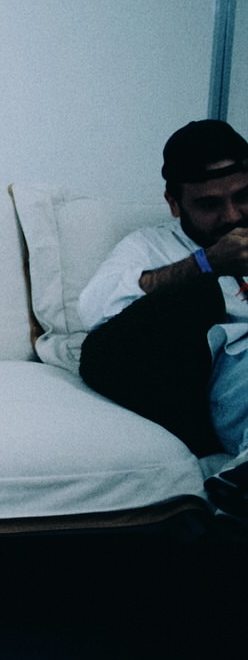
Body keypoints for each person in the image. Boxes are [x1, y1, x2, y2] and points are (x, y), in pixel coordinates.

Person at [77, 119, 248, 515]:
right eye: (209, 204)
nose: (231, 216)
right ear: (174, 203)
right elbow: (94, 310)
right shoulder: (149, 245)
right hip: (205, 376)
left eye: (243, 196)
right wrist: (205, 263)